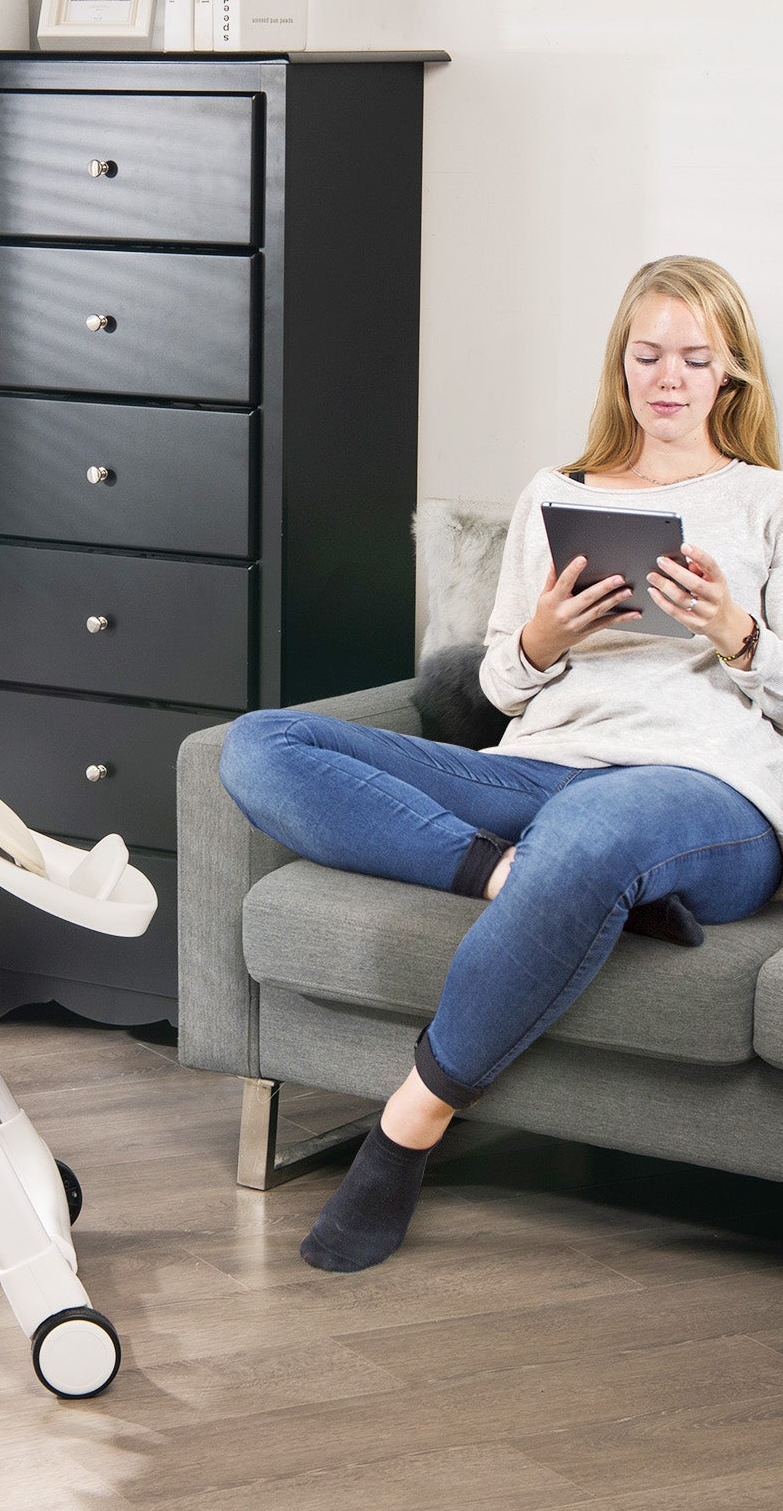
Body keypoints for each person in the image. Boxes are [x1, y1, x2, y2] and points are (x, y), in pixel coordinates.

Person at [219, 255, 783, 1273]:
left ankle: (405, 1128)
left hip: (710, 795)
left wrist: (740, 634)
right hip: (543, 769)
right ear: (619, 363)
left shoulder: (765, 502)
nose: (667, 378)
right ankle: (518, 878)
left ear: (730, 372)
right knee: (259, 744)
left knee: (593, 829)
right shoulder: (554, 493)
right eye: (646, 354)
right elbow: (499, 689)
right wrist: (540, 636)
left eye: (693, 359)